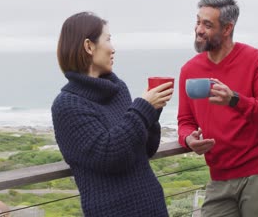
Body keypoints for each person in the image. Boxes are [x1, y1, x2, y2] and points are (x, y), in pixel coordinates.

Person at [51, 11, 172, 217]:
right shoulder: (67, 105)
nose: (113, 48)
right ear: (89, 46)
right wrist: (143, 109)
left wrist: (153, 110)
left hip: (152, 206)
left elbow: (146, 149)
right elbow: (109, 156)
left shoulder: (117, 88)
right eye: (108, 39)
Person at [177, 0, 258, 217]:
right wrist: (189, 139)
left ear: (227, 29)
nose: (198, 30)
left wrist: (234, 100)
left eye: (207, 25)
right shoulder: (189, 70)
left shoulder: (255, 60)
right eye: (198, 22)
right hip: (218, 177)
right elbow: (185, 121)